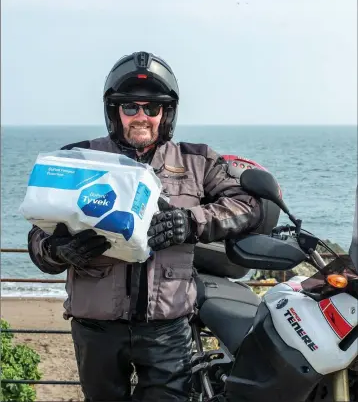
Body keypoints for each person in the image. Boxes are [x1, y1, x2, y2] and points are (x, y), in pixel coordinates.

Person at [28, 51, 264, 402]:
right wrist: (58, 251)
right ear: (115, 112)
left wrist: (191, 221)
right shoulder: (78, 159)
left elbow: (249, 205)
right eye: (130, 107)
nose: (141, 116)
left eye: (151, 108)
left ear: (165, 114)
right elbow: (37, 236)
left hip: (168, 327)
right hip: (97, 327)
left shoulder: (197, 161)